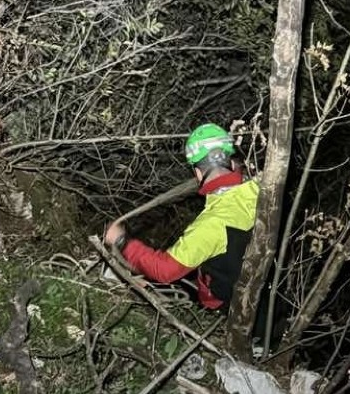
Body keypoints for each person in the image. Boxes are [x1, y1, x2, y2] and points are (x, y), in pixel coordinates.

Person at [103, 123, 258, 310]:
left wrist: (121, 241)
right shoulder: (262, 192)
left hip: (229, 309)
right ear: (233, 163)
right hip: (269, 304)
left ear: (198, 173)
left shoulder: (211, 225)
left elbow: (164, 270)